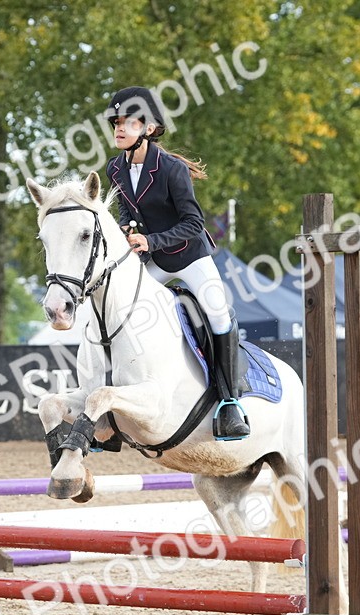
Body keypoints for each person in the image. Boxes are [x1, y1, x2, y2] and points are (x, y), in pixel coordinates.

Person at [103, 86, 250, 441]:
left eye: (128, 122)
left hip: (189, 256)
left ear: (149, 129)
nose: (119, 128)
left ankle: (230, 402)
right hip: (154, 259)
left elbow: (194, 223)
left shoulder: (171, 169)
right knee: (119, 311)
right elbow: (126, 210)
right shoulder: (115, 169)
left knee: (218, 313)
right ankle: (113, 404)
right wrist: (126, 229)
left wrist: (150, 241)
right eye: (116, 122)